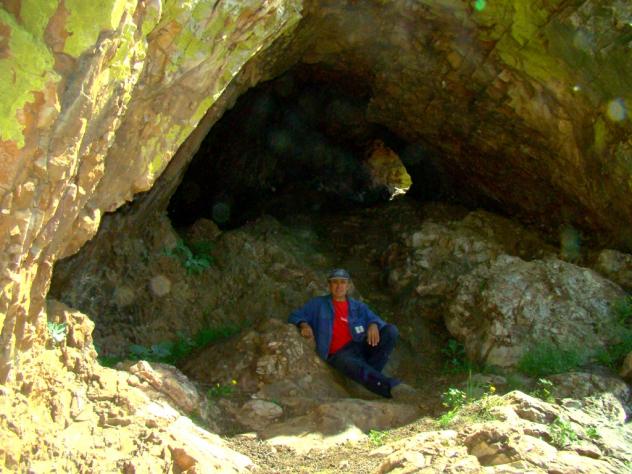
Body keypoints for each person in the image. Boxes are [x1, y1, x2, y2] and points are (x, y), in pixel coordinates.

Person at [288, 268, 415, 399]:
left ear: (348, 286)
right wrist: (304, 325)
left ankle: (368, 378)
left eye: (343, 282)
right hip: (339, 354)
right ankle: (392, 387)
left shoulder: (357, 306)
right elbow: (295, 315)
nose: (339, 286)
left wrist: (373, 324)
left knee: (391, 331)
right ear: (329, 285)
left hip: (359, 346)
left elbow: (374, 319)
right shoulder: (318, 304)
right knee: (347, 361)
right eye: (335, 282)